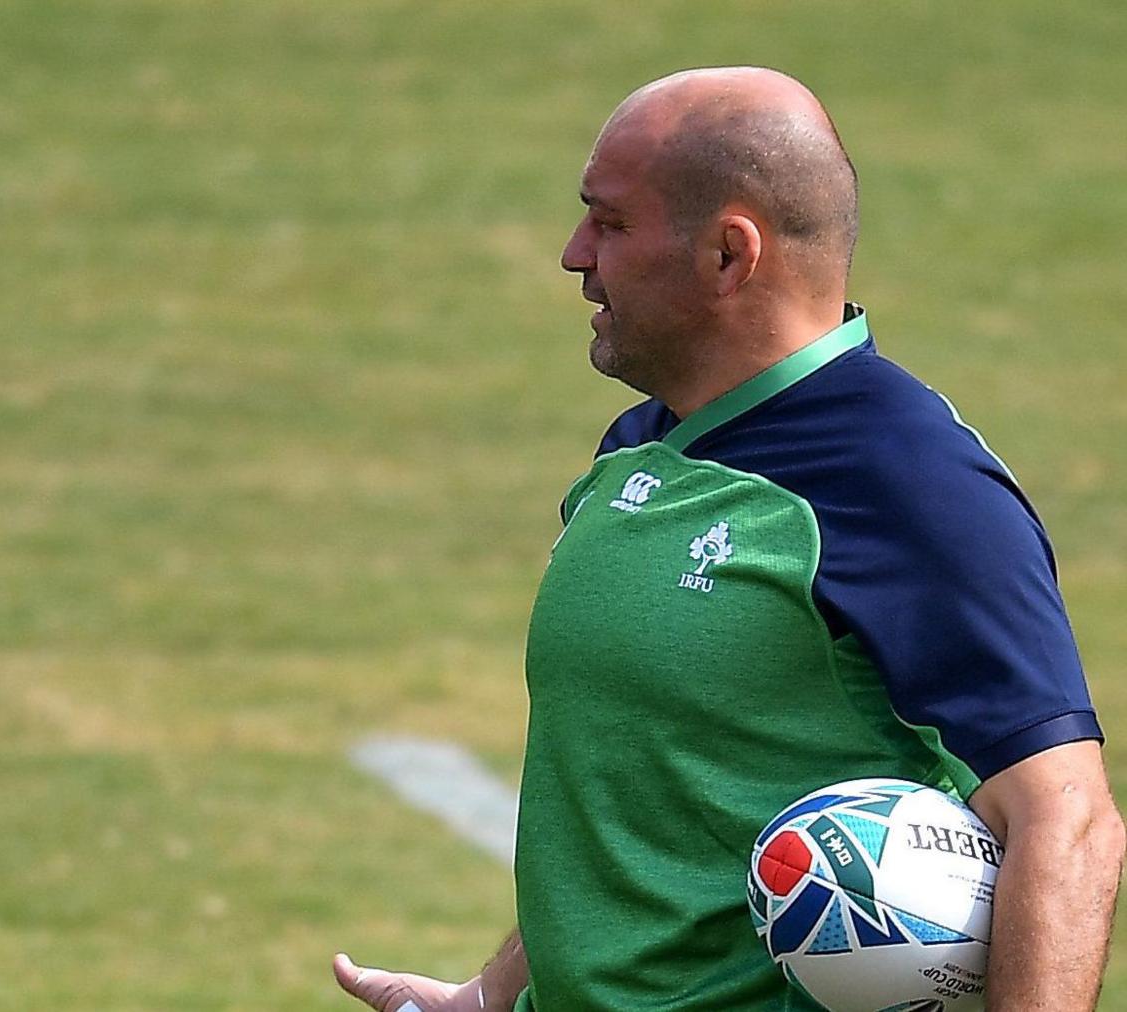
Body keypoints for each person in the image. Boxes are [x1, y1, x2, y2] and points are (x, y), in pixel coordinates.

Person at [334, 66, 1124, 1011]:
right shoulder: (642, 448)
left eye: (612, 223)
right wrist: (493, 993)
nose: (573, 254)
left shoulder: (907, 479)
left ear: (727, 254)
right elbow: (638, 791)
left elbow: (1066, 821)